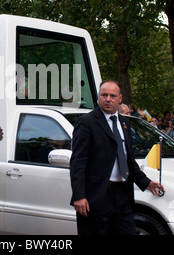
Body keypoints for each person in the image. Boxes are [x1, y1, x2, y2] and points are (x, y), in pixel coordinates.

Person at [70, 80, 164, 235]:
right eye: (104, 95)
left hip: (123, 197)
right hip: (96, 197)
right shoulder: (86, 123)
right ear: (98, 97)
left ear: (120, 98)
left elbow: (127, 160)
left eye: (112, 96)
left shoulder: (125, 123)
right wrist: (79, 196)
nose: (108, 99)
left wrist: (146, 183)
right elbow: (78, 162)